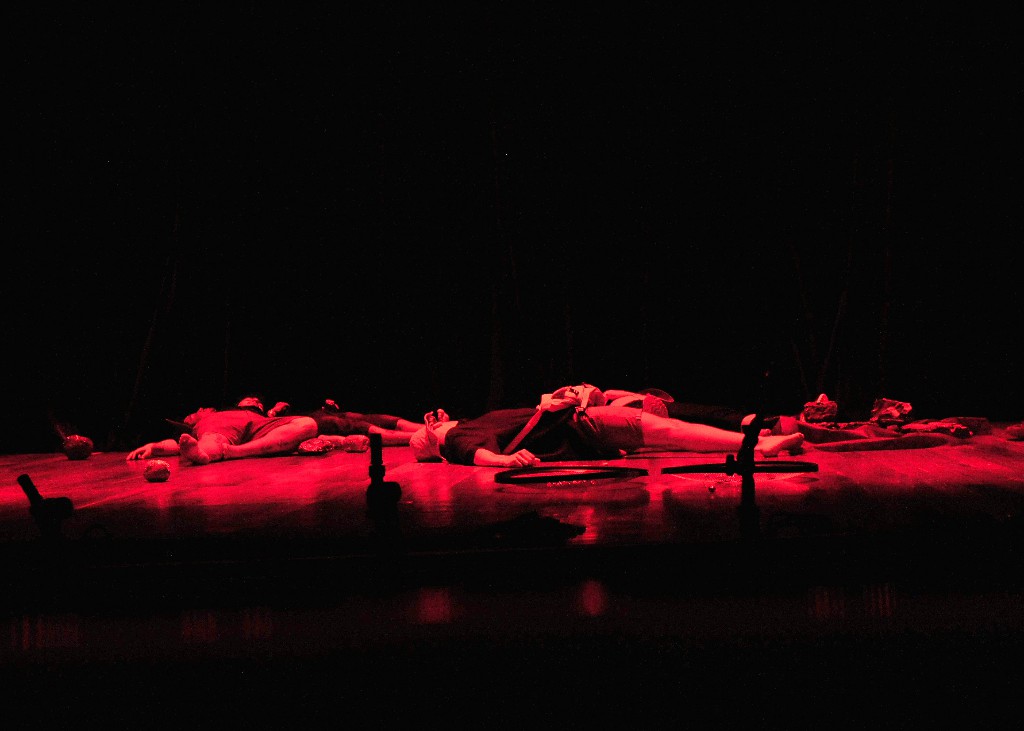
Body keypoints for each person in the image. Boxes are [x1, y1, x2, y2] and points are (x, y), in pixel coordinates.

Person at [409, 403, 805, 468]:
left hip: (579, 430)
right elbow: (476, 454)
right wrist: (505, 460)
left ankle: (755, 442)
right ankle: (758, 444)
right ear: (432, 438)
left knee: (670, 433)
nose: (434, 420)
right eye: (429, 425)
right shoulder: (457, 439)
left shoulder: (466, 426)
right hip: (584, 424)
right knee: (670, 429)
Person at [127, 395, 320, 465]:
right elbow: (178, 444)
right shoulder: (217, 414)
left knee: (308, 423)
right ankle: (205, 453)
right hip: (226, 424)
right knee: (214, 437)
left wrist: (275, 411)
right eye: (250, 399)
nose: (254, 401)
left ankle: (236, 452)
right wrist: (155, 447)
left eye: (257, 401)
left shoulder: (264, 415)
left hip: (258, 427)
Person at [268, 398, 422, 446]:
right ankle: (426, 435)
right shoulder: (268, 414)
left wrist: (328, 405)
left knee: (379, 418)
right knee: (365, 427)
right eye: (255, 401)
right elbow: (270, 424)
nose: (257, 401)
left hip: (329, 413)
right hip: (321, 422)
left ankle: (429, 427)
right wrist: (274, 410)